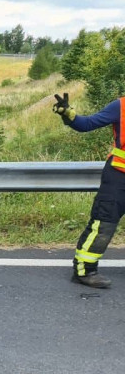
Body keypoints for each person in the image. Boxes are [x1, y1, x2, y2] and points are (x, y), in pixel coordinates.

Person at [53, 93, 124, 288]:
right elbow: (87, 124)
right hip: (119, 177)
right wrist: (68, 114)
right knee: (104, 224)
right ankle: (85, 271)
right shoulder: (121, 106)